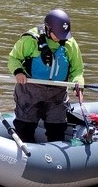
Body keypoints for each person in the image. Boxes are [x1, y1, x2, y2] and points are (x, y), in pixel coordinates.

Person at [7, 9, 85, 143]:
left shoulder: (70, 44)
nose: (61, 38)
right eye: (58, 34)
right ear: (48, 29)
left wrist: (78, 84)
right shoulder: (30, 40)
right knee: (24, 128)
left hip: (57, 93)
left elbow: (77, 70)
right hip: (30, 90)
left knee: (57, 129)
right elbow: (13, 58)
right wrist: (18, 72)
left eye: (64, 35)